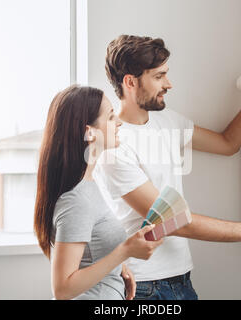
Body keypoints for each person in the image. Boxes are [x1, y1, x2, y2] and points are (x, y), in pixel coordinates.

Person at [92, 35, 241, 300]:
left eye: (166, 74)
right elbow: (170, 222)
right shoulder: (114, 147)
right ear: (130, 81)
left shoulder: (167, 120)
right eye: (159, 76)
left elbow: (228, 143)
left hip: (180, 277)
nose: (168, 84)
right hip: (143, 286)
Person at [33, 85, 163, 300]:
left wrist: (118, 269)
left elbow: (89, 252)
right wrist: (124, 252)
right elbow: (62, 290)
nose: (119, 123)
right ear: (89, 132)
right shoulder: (76, 200)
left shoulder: (89, 184)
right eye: (111, 117)